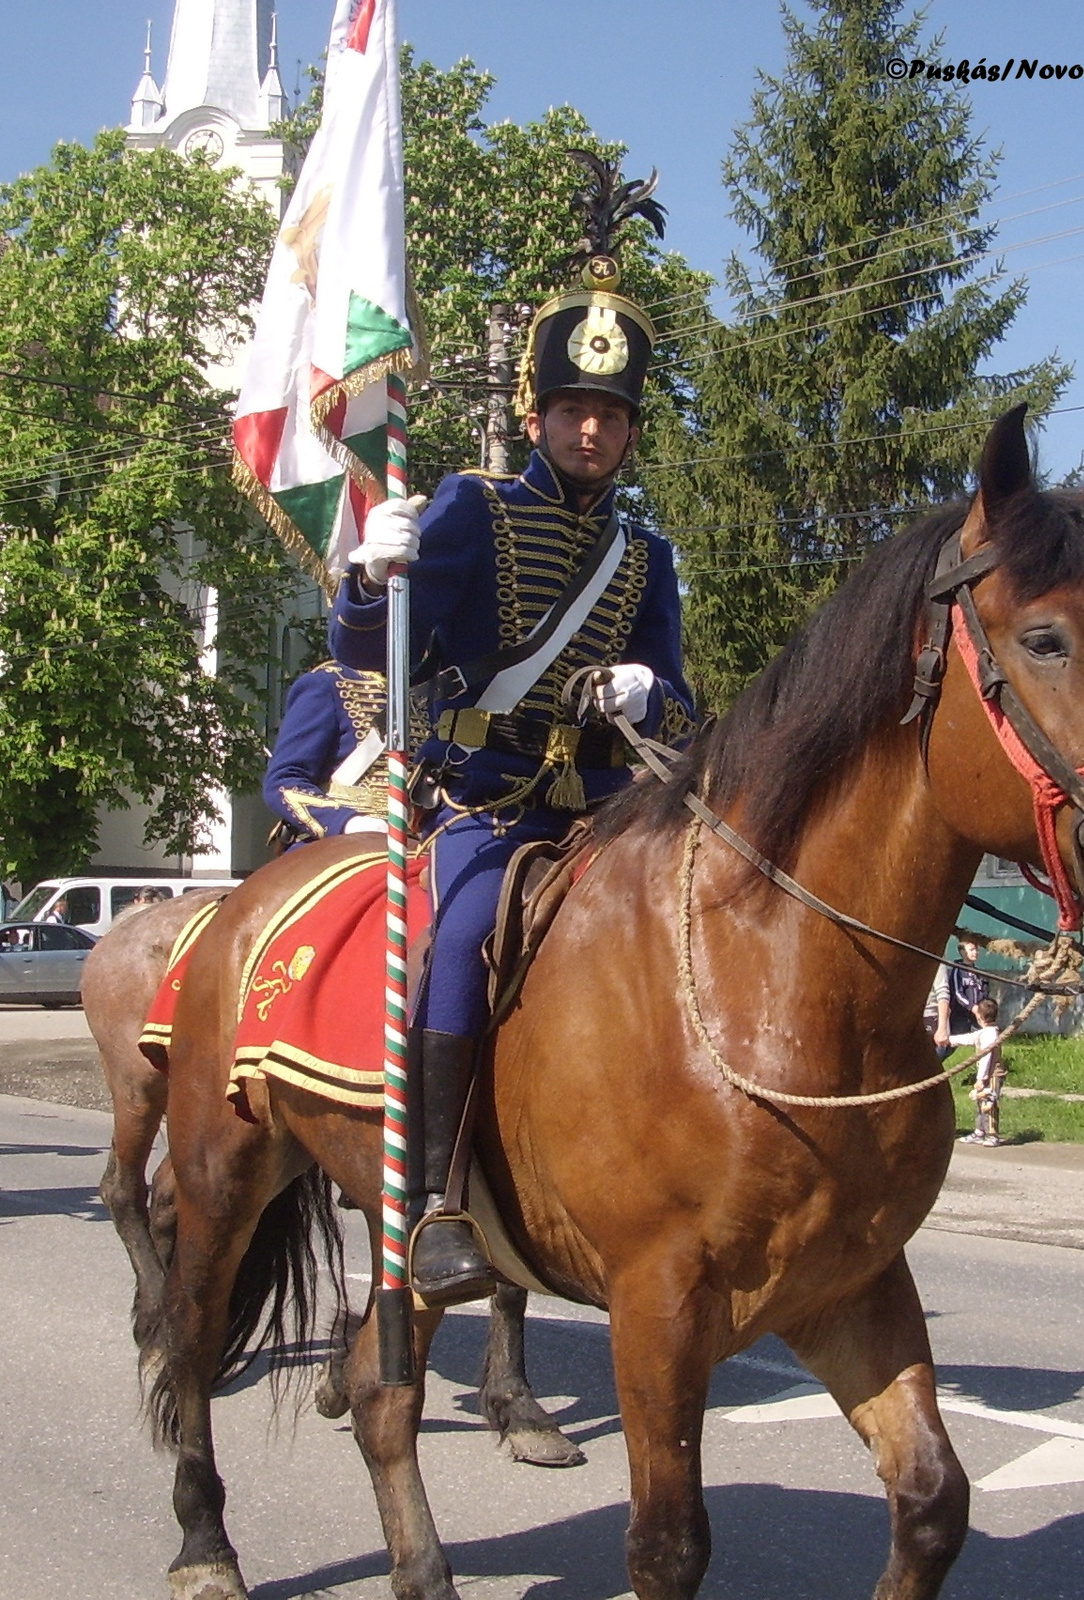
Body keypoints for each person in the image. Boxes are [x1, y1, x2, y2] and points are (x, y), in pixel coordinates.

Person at [328, 157, 695, 1306]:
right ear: (535, 414)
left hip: (606, 816)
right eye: (575, 410)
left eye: (613, 414)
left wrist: (647, 696)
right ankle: (434, 1198)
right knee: (463, 937)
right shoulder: (470, 509)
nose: (593, 430)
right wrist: (363, 574)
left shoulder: (647, 559)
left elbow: (685, 708)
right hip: (484, 803)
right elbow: (361, 655)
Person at [262, 660, 430, 846]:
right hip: (340, 838)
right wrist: (347, 822)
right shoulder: (328, 682)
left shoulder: (434, 687)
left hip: (422, 837)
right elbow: (283, 781)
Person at [953, 997, 1006, 1146]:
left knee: (989, 1103)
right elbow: (969, 1038)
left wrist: (980, 1079)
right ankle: (980, 1131)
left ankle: (992, 1135)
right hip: (986, 1075)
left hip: (993, 1074)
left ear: (980, 1017)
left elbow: (986, 1057)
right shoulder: (986, 1032)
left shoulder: (989, 1034)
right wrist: (948, 1040)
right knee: (980, 1102)